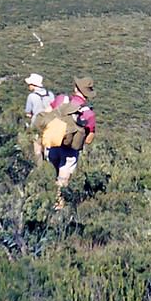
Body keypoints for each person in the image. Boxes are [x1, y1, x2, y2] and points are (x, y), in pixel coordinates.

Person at [46, 76, 97, 209]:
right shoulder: (89, 114)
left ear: (76, 88)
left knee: (50, 172)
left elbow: (47, 114)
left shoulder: (61, 99)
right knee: (63, 179)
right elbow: (89, 139)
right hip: (71, 150)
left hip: (54, 143)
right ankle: (58, 205)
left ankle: (44, 198)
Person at [24, 73, 54, 160]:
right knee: (48, 147)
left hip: (37, 124)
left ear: (33, 85)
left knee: (37, 147)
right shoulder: (50, 94)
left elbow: (28, 112)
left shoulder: (31, 96)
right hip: (50, 124)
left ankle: (39, 167)